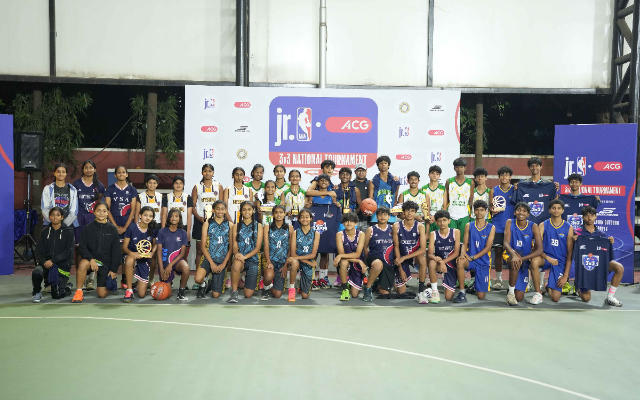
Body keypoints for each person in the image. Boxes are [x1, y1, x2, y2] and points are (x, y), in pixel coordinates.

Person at [572, 206, 623, 306]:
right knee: (586, 298)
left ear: (596, 216)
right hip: (585, 267)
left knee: (619, 268)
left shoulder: (601, 234)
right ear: (583, 217)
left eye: (592, 215)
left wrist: (610, 242)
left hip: (599, 264)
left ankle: (610, 297)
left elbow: (605, 252)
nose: (589, 218)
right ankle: (578, 286)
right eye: (587, 216)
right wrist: (573, 240)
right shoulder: (576, 232)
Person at [72, 202, 121, 303]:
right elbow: (82, 247)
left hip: (105, 264)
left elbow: (116, 251)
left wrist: (113, 270)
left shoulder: (113, 229)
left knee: (102, 294)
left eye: (104, 211)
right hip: (92, 261)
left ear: (107, 213)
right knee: (83, 264)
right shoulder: (87, 228)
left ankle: (108, 282)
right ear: (94, 212)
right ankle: (79, 291)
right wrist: (91, 259)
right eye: (98, 211)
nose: (101, 213)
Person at [530, 199, 574, 303]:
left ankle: (547, 286)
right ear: (549, 210)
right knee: (534, 261)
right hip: (545, 257)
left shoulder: (569, 227)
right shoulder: (543, 225)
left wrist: (565, 276)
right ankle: (538, 293)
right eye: (553, 208)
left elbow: (569, 254)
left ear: (563, 210)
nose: (556, 210)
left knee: (555, 298)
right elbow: (536, 248)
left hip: (559, 261)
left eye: (559, 208)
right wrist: (548, 258)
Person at [72, 160, 105, 291]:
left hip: (92, 218)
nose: (88, 170)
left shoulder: (99, 186)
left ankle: (91, 278)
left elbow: (100, 203)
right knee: (78, 248)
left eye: (91, 167)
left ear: (95, 169)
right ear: (83, 170)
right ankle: (80, 276)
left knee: (94, 248)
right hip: (79, 218)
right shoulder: (76, 184)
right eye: (86, 167)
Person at [503, 202, 543, 306]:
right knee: (515, 262)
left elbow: (540, 250)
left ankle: (514, 287)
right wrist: (514, 255)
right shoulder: (509, 222)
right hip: (510, 254)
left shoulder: (533, 226)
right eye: (519, 210)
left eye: (524, 211)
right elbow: (505, 243)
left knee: (520, 297)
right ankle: (510, 294)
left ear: (528, 214)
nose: (521, 213)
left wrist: (523, 258)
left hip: (524, 259)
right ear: (515, 212)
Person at [454, 200, 495, 302]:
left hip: (483, 260)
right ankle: (462, 292)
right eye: (477, 210)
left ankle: (476, 283)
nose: (479, 212)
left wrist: (473, 257)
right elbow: (465, 243)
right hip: (470, 259)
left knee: (481, 296)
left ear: (486, 212)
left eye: (482, 210)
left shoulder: (491, 227)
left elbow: (488, 247)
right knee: (460, 261)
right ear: (474, 212)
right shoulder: (469, 225)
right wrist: (462, 254)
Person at [104, 166, 138, 289]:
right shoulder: (110, 189)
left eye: (123, 172)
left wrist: (125, 227)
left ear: (127, 174)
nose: (121, 174)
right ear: (115, 175)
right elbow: (107, 208)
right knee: (113, 252)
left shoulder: (132, 190)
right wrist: (114, 226)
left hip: (127, 223)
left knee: (125, 252)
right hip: (113, 223)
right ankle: (111, 277)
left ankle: (125, 279)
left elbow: (133, 210)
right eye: (119, 172)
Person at [32, 207, 74, 302]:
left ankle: (66, 287)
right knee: (37, 272)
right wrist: (44, 261)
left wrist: (53, 260)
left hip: (61, 265)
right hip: (46, 264)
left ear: (62, 217)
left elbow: (68, 251)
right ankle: (37, 292)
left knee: (57, 295)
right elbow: (38, 251)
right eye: (52, 215)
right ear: (49, 217)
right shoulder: (45, 232)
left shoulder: (68, 232)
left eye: (58, 215)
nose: (55, 217)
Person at [191, 164, 223, 286]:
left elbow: (221, 204)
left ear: (213, 173)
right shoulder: (197, 187)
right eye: (205, 171)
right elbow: (192, 206)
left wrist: (217, 217)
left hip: (215, 222)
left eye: (210, 171)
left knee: (215, 249)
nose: (207, 173)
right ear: (202, 173)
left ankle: (212, 277)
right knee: (200, 250)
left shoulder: (218, 186)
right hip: (200, 221)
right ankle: (199, 278)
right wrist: (199, 217)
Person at [308, 174, 341, 289]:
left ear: (329, 183)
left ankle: (323, 278)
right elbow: (308, 205)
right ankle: (311, 278)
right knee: (313, 252)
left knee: (325, 253)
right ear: (317, 182)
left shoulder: (333, 194)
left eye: (326, 181)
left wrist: (337, 205)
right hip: (315, 225)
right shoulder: (313, 194)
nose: (323, 182)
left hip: (327, 227)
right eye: (321, 180)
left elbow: (336, 206)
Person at [195, 200, 233, 299]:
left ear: (225, 210)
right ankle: (203, 285)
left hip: (222, 260)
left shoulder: (230, 225)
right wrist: (211, 263)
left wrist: (224, 264)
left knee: (216, 295)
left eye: (222, 209)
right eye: (217, 209)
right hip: (209, 258)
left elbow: (231, 247)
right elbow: (203, 246)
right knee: (198, 279)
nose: (220, 211)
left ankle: (212, 283)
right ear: (213, 210)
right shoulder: (207, 223)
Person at [160, 175, 193, 286]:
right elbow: (164, 214)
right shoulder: (167, 197)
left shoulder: (188, 197)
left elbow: (189, 216)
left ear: (183, 185)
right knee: (167, 254)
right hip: (169, 229)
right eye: (176, 183)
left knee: (183, 256)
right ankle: (169, 277)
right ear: (173, 184)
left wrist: (188, 232)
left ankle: (184, 283)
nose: (178, 185)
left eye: (181, 183)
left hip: (182, 229)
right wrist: (163, 230)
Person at [393, 201, 428, 301]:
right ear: (403, 212)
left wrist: (404, 258)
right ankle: (394, 282)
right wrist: (400, 268)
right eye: (407, 210)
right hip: (401, 256)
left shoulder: (420, 226)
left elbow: (422, 249)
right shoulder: (396, 226)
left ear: (415, 213)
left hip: (413, 256)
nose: (409, 213)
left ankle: (421, 291)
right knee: (401, 292)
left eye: (412, 211)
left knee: (423, 259)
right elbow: (396, 247)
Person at [121, 206, 158, 302]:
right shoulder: (132, 228)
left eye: (150, 216)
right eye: (145, 215)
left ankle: (138, 284)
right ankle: (129, 290)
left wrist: (152, 252)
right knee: (129, 261)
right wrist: (131, 253)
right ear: (140, 215)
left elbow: (155, 244)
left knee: (141, 294)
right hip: (132, 255)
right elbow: (124, 247)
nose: (147, 218)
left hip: (144, 258)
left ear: (153, 218)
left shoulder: (153, 229)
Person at [229, 201, 262, 302]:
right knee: (236, 263)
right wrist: (237, 254)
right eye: (244, 210)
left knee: (248, 295)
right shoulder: (236, 226)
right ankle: (234, 292)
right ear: (241, 211)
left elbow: (257, 248)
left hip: (253, 260)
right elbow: (234, 245)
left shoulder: (259, 226)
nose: (247, 212)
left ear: (253, 211)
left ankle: (243, 280)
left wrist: (245, 257)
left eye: (249, 209)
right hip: (240, 259)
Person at [489, 166, 514, 290]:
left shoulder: (515, 189)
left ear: (510, 177)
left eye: (506, 175)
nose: (504, 177)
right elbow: (490, 206)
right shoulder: (493, 190)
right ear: (499, 177)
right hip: (498, 225)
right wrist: (492, 210)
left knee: (514, 253)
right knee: (498, 253)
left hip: (512, 227)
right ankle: (498, 280)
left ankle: (514, 281)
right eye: (502, 175)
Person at [156, 209, 190, 301]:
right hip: (164, 263)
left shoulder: (183, 233)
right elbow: (158, 252)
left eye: (176, 216)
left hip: (176, 262)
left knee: (186, 267)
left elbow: (182, 253)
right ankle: (169, 282)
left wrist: (170, 265)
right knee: (167, 294)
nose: (174, 218)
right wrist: (162, 269)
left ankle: (181, 291)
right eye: (171, 216)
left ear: (180, 218)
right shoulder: (162, 231)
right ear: (168, 218)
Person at [362, 206, 395, 301]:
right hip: (374, 258)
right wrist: (366, 263)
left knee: (385, 293)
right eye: (380, 214)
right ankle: (368, 288)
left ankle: (377, 283)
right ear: (376, 216)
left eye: (385, 214)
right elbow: (365, 246)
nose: (382, 217)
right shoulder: (371, 229)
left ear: (389, 217)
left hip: (388, 262)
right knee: (378, 264)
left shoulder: (393, 229)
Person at [286, 208, 320, 301]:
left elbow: (313, 255)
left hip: (308, 260)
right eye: (302, 217)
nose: (304, 219)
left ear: (311, 218)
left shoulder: (316, 233)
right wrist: (309, 262)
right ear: (299, 219)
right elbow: (293, 254)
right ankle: (291, 289)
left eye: (307, 217)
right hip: (299, 261)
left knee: (305, 296)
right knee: (294, 263)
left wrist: (308, 262)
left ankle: (301, 286)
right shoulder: (296, 232)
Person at [427, 210, 460, 302]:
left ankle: (450, 281)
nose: (442, 223)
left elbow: (456, 253)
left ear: (449, 221)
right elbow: (430, 254)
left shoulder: (456, 232)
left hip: (451, 263)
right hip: (438, 262)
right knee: (432, 263)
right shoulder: (433, 234)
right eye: (439, 221)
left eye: (444, 220)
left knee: (448, 297)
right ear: (436, 222)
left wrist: (443, 262)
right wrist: (440, 262)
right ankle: (435, 292)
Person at [262, 205, 294, 300]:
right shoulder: (267, 227)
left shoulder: (289, 227)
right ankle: (265, 288)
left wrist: (286, 265)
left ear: (284, 214)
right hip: (271, 260)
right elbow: (266, 246)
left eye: (281, 212)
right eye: (276, 212)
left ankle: (271, 286)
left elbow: (290, 248)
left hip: (282, 262)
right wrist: (268, 261)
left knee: (277, 295)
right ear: (273, 214)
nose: (278, 214)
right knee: (268, 276)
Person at [334, 212, 366, 301]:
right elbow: (342, 254)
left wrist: (359, 261)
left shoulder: (361, 234)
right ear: (343, 224)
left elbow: (357, 254)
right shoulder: (339, 234)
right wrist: (341, 255)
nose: (349, 223)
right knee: (343, 262)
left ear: (356, 223)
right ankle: (345, 289)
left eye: (351, 221)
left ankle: (351, 281)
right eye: (346, 221)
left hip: (357, 262)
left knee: (355, 295)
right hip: (347, 261)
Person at [444, 158, 473, 243]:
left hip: (464, 214)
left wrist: (468, 212)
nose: (459, 169)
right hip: (451, 214)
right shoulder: (449, 181)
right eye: (457, 167)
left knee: (463, 240)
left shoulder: (470, 182)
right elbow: (446, 198)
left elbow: (470, 200)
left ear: (465, 168)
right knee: (451, 239)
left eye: (461, 167)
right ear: (454, 168)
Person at [42, 162, 78, 228]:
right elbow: (45, 208)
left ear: (66, 174)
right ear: (54, 173)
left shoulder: (72, 190)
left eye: (63, 172)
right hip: (51, 225)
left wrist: (64, 225)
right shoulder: (47, 189)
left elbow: (74, 211)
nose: (61, 174)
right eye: (58, 171)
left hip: (68, 225)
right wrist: (54, 222)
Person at [368, 155, 400, 224]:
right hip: (376, 214)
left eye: (385, 163)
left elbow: (395, 197)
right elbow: (370, 199)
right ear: (378, 166)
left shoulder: (395, 181)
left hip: (390, 214)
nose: (383, 165)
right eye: (381, 163)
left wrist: (395, 209)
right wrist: (370, 210)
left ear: (388, 165)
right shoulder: (373, 181)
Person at [422, 165, 445, 233]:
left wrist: (435, 217)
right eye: (432, 173)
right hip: (427, 220)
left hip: (439, 219)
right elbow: (422, 206)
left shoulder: (443, 189)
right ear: (429, 175)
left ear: (439, 176)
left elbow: (444, 206)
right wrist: (427, 216)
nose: (434, 175)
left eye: (437, 174)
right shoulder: (423, 189)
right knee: (426, 238)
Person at [352, 163, 371, 231]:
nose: (361, 173)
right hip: (354, 219)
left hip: (367, 219)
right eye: (358, 170)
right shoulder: (351, 184)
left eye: (363, 170)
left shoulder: (370, 183)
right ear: (355, 172)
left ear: (366, 171)